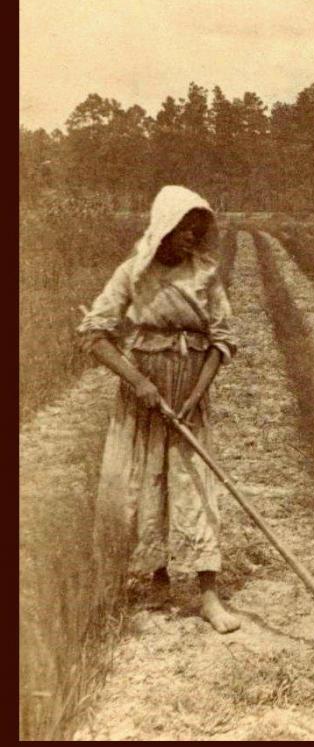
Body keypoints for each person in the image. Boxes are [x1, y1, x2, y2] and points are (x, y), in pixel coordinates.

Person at [77, 185, 240, 633]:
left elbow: (223, 341)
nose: (192, 235)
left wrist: (194, 395)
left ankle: (208, 595)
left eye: (197, 228)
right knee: (144, 481)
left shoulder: (205, 275)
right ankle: (155, 580)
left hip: (189, 391)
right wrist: (140, 382)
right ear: (164, 228)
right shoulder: (132, 273)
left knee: (195, 483)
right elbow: (94, 335)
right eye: (184, 227)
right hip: (143, 394)